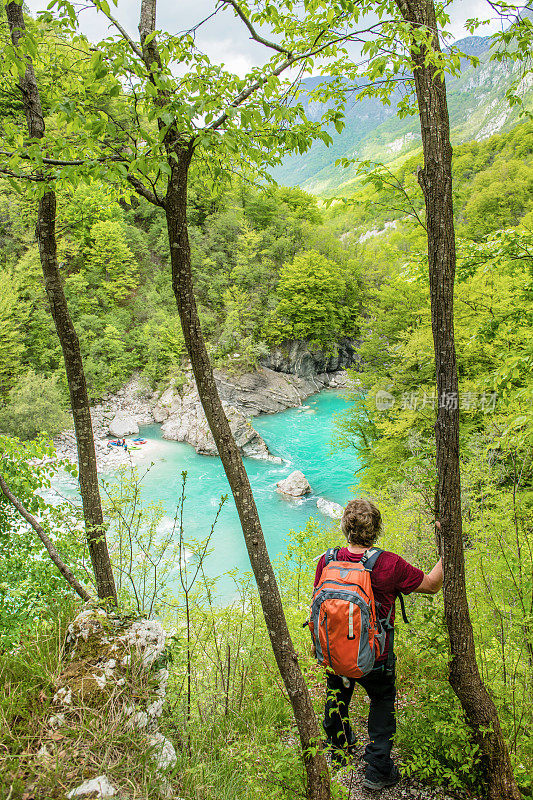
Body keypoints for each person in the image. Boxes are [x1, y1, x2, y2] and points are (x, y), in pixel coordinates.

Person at [313, 498, 443, 791]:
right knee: (382, 703)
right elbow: (432, 585)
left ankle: (338, 748)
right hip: (376, 655)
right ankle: (377, 769)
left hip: (336, 651)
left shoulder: (327, 560)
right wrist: (449, 551)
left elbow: (318, 609)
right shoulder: (388, 563)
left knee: (337, 693)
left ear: (345, 526)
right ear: (377, 529)